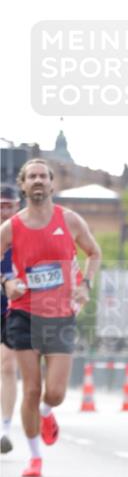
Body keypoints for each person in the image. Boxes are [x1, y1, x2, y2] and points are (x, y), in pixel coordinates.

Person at [0, 159, 101, 477]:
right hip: (24, 314)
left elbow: (94, 252)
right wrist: (6, 282)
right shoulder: (11, 227)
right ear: (24, 185)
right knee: (31, 388)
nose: (38, 181)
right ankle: (35, 457)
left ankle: (47, 413)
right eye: (32, 177)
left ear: (52, 184)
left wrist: (85, 285)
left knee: (54, 393)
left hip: (59, 315)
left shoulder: (69, 220)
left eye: (43, 176)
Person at [0, 184, 21, 454]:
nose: (4, 211)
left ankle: (5, 428)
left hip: (12, 307)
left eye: (9, 205)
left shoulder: (24, 233)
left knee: (6, 365)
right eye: (0, 205)